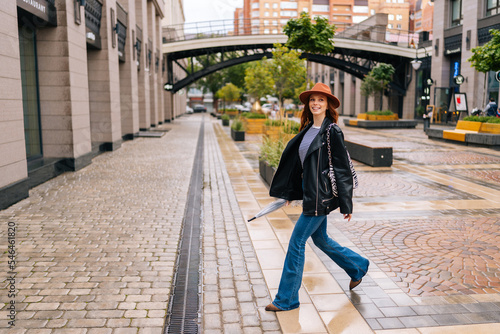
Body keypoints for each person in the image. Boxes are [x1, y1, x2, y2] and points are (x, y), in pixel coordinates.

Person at [265, 83, 370, 312]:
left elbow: (342, 169)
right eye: (313, 100)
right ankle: (357, 266)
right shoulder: (307, 129)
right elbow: (301, 167)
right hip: (309, 192)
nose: (316, 103)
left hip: (319, 198)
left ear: (328, 105)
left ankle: (287, 299)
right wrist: (292, 193)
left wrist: (346, 203)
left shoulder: (332, 131)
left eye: (321, 100)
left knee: (296, 243)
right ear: (307, 104)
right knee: (320, 240)